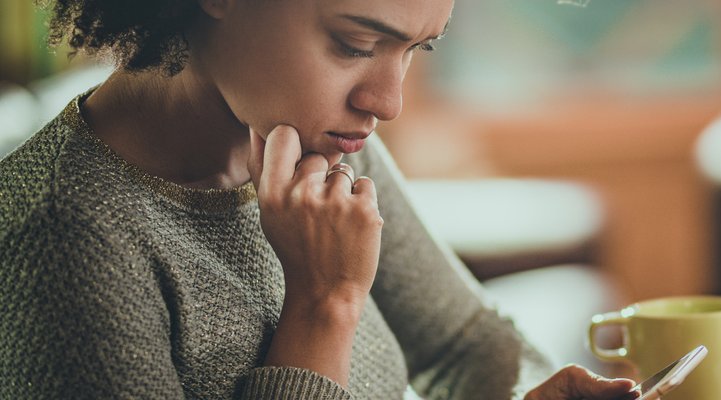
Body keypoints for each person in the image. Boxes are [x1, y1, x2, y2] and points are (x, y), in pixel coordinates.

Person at [0, 0, 638, 399]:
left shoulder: (317, 134)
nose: (387, 102)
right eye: (356, 45)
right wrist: (322, 306)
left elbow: (464, 344)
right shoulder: (64, 241)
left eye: (418, 48)